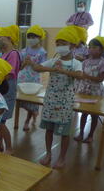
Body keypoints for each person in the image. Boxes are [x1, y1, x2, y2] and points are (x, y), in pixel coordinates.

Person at [29, 26, 83, 169]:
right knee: (49, 129)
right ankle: (48, 154)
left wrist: (63, 71)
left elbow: (79, 75)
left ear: (72, 45)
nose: (60, 47)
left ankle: (62, 157)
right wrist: (53, 69)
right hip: (51, 99)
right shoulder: (54, 61)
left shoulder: (76, 63)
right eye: (58, 44)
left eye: (63, 44)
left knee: (64, 132)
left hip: (65, 102)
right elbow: (37, 67)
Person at [74, 36, 104, 143]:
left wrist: (86, 76)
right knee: (83, 113)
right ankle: (81, 133)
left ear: (101, 50)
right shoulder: (85, 62)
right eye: (90, 47)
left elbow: (100, 79)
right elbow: (81, 75)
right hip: (84, 91)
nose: (91, 49)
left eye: (94, 47)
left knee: (94, 115)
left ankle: (90, 135)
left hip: (96, 93)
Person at [0, 25, 21, 154]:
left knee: (1, 121)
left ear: (9, 38)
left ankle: (9, 147)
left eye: (0, 37)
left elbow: (10, 73)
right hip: (0, 88)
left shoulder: (13, 54)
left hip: (7, 89)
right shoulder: (3, 54)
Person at [18, 25, 48, 131]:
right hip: (22, 79)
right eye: (29, 37)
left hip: (33, 80)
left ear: (40, 38)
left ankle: (28, 120)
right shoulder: (24, 50)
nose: (31, 39)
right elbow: (19, 67)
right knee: (21, 100)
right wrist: (24, 63)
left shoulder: (42, 52)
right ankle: (34, 114)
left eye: (33, 37)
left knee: (31, 102)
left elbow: (42, 68)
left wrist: (31, 63)